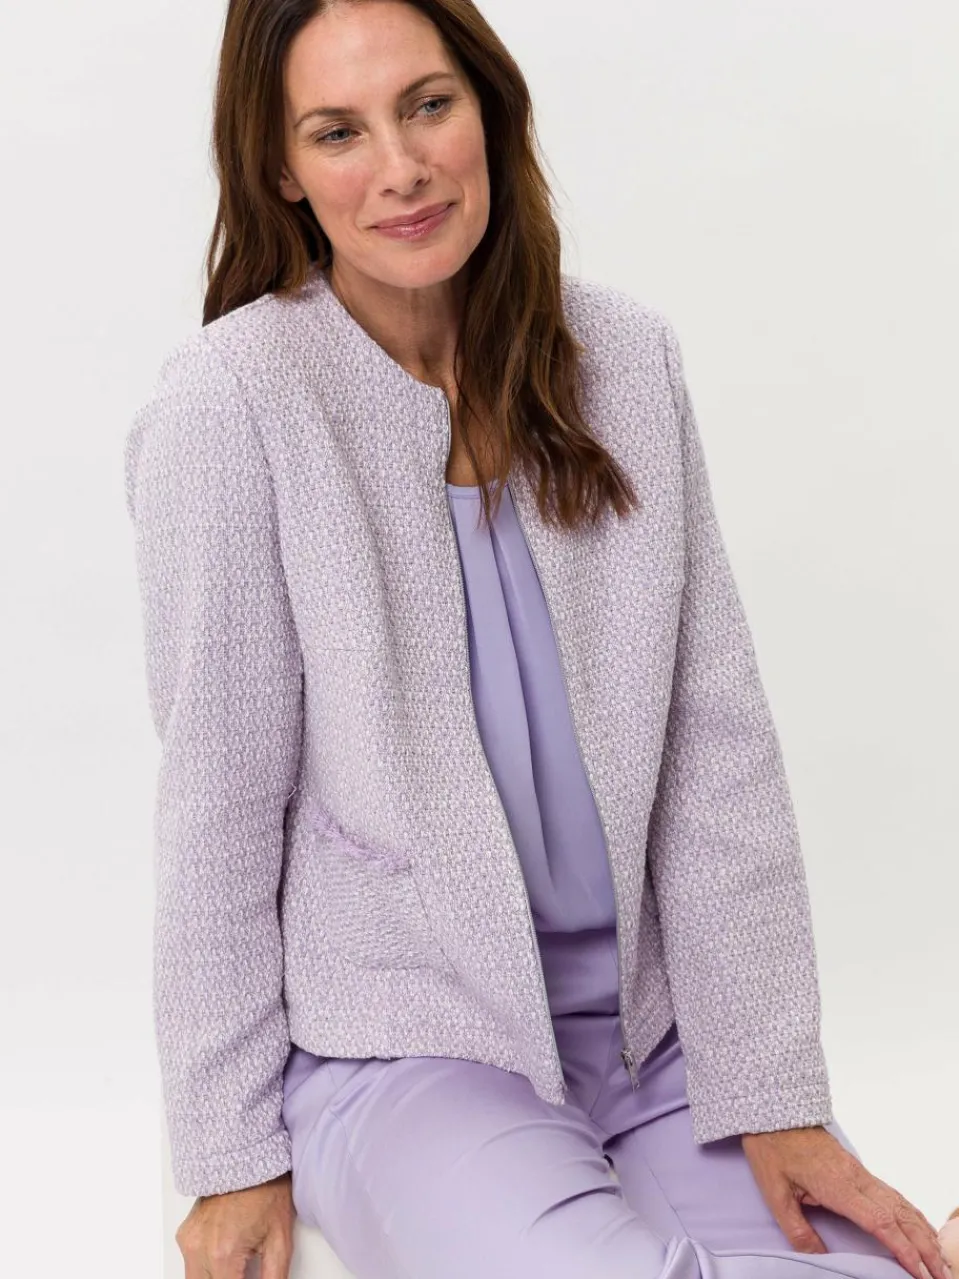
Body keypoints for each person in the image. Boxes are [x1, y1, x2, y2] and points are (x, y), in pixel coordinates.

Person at [123, 2, 956, 1278]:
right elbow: (217, 808)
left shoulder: (622, 357)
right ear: (280, 169)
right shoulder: (232, 405)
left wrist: (772, 1085)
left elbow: (712, 751)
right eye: (337, 132)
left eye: (427, 106)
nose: (400, 167)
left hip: (656, 1038)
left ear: (488, 108)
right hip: (407, 1051)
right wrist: (227, 1153)